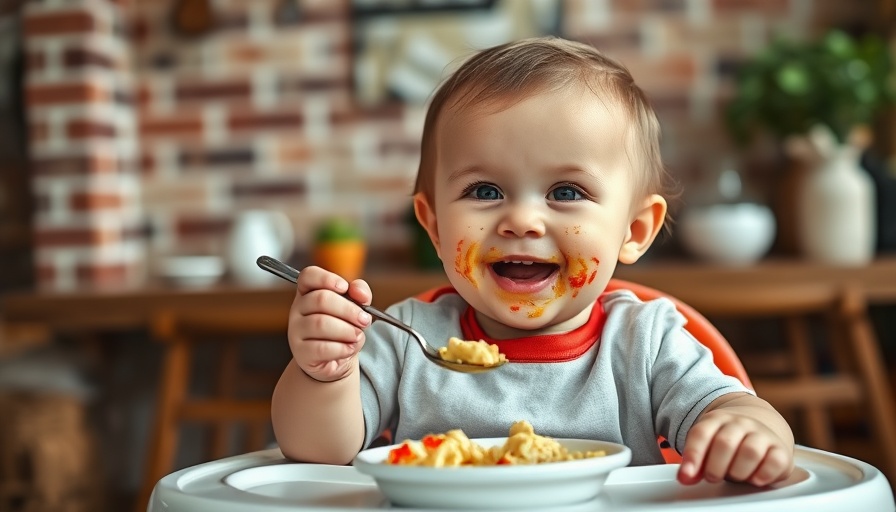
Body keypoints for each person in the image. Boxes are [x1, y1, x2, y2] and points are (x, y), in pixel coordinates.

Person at [271, 36, 794, 487]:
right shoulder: (406, 340)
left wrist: (745, 429)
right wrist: (324, 373)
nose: (522, 220)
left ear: (633, 232)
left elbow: (734, 409)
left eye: (566, 191)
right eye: (485, 189)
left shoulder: (647, 344)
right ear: (433, 225)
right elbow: (319, 452)